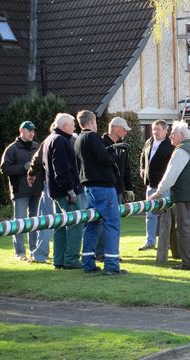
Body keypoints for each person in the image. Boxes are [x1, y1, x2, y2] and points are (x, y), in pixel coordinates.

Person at [150, 121, 190, 270]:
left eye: (173, 133)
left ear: (181, 135)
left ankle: (189, 263)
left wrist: (159, 191)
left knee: (183, 229)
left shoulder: (182, 150)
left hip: (184, 196)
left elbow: (171, 174)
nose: (170, 136)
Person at [74, 110, 126, 275]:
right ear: (92, 122)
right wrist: (114, 152)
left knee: (92, 224)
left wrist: (109, 148)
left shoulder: (79, 139)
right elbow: (104, 159)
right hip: (103, 187)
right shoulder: (93, 137)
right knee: (112, 223)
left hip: (89, 187)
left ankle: (88, 263)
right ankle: (111, 266)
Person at [42, 113, 84, 269]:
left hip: (55, 191)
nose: (74, 127)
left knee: (60, 225)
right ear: (65, 126)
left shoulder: (49, 139)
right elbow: (61, 169)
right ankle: (71, 259)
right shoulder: (60, 141)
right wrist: (70, 190)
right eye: (73, 124)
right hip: (66, 192)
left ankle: (58, 260)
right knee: (75, 223)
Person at [0, 121, 43, 261]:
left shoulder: (37, 147)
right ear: (21, 131)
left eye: (33, 131)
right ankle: (20, 253)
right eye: (29, 130)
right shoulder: (11, 149)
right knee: (19, 222)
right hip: (20, 191)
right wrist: (23, 168)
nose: (32, 133)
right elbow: (4, 169)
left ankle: (33, 251)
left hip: (36, 191)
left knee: (35, 222)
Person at [95, 116, 134, 262]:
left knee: (114, 222)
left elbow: (127, 169)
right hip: (104, 188)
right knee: (101, 222)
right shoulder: (99, 142)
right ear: (116, 128)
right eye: (124, 129)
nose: (126, 132)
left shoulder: (123, 146)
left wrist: (128, 188)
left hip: (117, 190)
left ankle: (112, 253)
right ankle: (100, 253)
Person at [138, 119, 174, 251]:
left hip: (164, 186)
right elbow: (142, 156)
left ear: (165, 130)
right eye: (154, 129)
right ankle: (150, 242)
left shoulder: (171, 144)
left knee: (165, 213)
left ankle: (167, 241)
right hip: (150, 184)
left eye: (158, 129)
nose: (155, 132)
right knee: (150, 214)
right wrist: (142, 168)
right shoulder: (149, 142)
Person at [26, 124, 55, 264]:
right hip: (71, 186)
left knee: (45, 220)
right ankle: (67, 254)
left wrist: (31, 174)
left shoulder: (48, 141)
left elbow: (36, 160)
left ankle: (40, 254)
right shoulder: (73, 139)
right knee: (69, 221)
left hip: (50, 185)